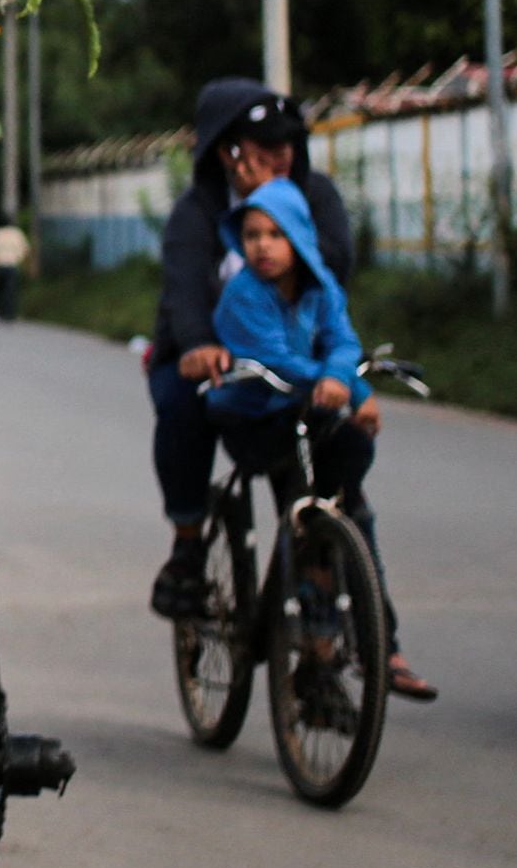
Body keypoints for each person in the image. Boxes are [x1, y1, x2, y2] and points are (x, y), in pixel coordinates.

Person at [205, 180, 433, 700]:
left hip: (309, 418)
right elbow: (274, 358)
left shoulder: (323, 286)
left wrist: (350, 383)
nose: (262, 246)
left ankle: (372, 643)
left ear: (300, 237)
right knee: (311, 504)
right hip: (257, 420)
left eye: (275, 234)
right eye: (252, 235)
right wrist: (338, 382)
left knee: (349, 501)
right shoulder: (243, 295)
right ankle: (323, 642)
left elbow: (343, 342)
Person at [147, 80, 355, 623]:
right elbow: (184, 289)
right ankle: (188, 545)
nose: (279, 157)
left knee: (338, 466)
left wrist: (278, 205)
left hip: (295, 359)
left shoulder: (314, 195)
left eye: (286, 145)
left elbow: (334, 269)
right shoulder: (197, 211)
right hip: (212, 356)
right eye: (263, 147)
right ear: (227, 152)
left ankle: (371, 635)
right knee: (182, 405)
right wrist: (198, 344)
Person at [0, 221, 31, 322]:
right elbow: (26, 250)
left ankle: (1, 312)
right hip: (12, 266)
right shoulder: (17, 234)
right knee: (10, 291)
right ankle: (9, 313)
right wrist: (26, 264)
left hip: (0, 266)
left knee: (0, 290)